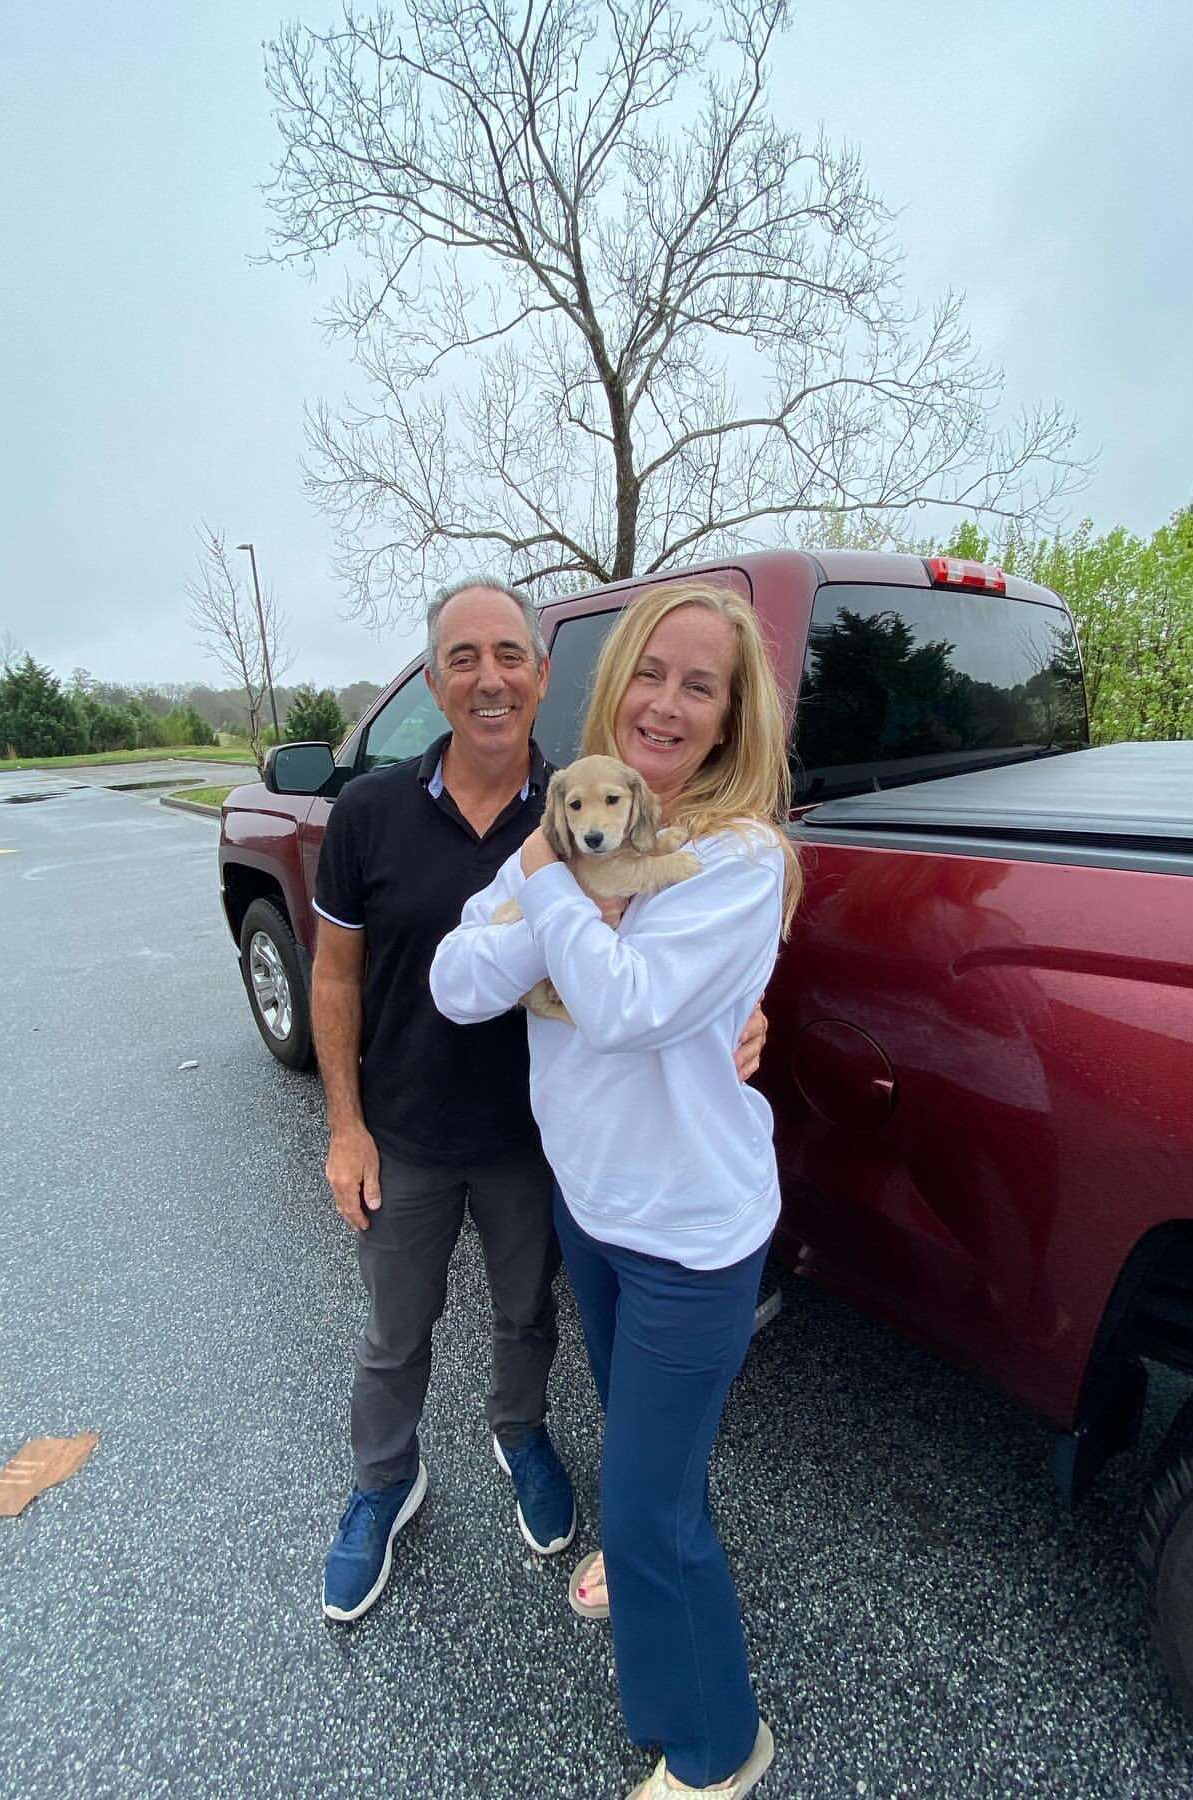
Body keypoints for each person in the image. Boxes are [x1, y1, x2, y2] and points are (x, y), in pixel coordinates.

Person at [312, 577, 768, 1626]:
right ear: (432, 681)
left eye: (510, 655)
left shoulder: (590, 801)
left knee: (526, 1320)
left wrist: (741, 1018)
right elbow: (333, 974)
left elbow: (677, 956)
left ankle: (521, 1438)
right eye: (462, 657)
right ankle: (383, 1482)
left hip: (537, 1148)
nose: (489, 677)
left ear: (543, 674)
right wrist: (345, 1126)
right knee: (395, 1331)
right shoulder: (373, 808)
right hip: (409, 1132)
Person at [431, 579, 802, 1799]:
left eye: (702, 685)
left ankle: (714, 1752)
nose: (668, 700)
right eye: (651, 671)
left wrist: (541, 879)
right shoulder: (579, 831)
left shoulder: (735, 861)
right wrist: (554, 894)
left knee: (646, 1513)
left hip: (691, 1233)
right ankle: (646, 1577)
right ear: (615, 684)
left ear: (732, 714)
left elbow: (630, 1005)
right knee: (650, 1464)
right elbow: (455, 982)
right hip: (593, 1208)